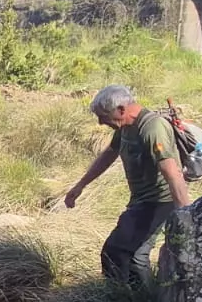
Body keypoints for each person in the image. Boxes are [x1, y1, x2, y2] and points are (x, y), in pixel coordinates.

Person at [64, 84, 191, 285]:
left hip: (160, 201)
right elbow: (108, 155)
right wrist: (80, 185)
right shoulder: (125, 127)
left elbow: (172, 172)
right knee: (117, 253)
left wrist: (186, 216)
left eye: (103, 116)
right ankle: (126, 301)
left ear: (121, 109)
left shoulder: (152, 128)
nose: (100, 122)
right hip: (141, 202)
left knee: (129, 256)